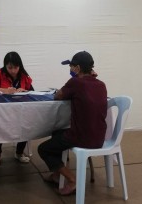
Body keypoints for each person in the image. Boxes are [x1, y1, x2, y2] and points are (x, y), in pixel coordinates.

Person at [37, 51, 107, 196]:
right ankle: (57, 175)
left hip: (81, 137)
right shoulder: (101, 85)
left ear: (78, 68)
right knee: (57, 133)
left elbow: (58, 96)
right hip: (100, 137)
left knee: (43, 149)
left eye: (71, 66)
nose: (70, 69)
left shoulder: (75, 82)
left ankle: (72, 180)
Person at [0, 51, 33, 166]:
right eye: (10, 67)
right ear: (5, 66)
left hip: (20, 110)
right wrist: (5, 90)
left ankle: (19, 153)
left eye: (16, 67)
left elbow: (33, 91)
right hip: (2, 109)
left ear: (20, 66)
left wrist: (25, 90)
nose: (13, 70)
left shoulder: (24, 76)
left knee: (25, 127)